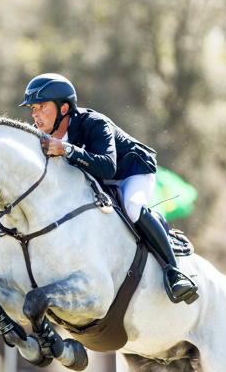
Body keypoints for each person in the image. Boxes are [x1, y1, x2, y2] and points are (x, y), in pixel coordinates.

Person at [19, 73, 198, 304]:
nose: (35, 114)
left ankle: (174, 273)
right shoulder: (41, 137)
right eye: (33, 108)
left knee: (132, 208)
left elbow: (107, 167)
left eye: (41, 106)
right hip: (99, 181)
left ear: (63, 108)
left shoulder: (93, 123)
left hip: (131, 172)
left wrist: (67, 150)